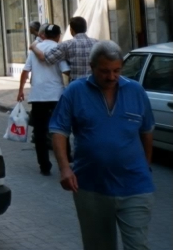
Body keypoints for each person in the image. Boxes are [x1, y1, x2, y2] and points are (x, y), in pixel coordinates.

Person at [49, 41, 155, 250]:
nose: (111, 77)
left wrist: (146, 164)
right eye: (105, 71)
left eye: (117, 70)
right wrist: (64, 168)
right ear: (92, 66)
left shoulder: (135, 91)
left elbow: (146, 131)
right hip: (91, 187)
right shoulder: (75, 91)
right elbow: (59, 130)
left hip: (135, 186)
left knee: (137, 246)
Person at [18, 24, 68, 176]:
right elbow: (66, 71)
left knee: (39, 132)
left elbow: (26, 71)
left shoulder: (35, 50)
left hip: (38, 96)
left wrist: (20, 91)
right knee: (60, 129)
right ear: (58, 36)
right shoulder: (58, 50)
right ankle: (65, 163)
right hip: (56, 96)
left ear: (44, 35)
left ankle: (44, 166)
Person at [30, 16, 98, 82]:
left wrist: (33, 47)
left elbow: (46, 58)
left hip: (76, 84)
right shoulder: (97, 43)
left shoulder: (66, 45)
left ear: (71, 30)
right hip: (94, 82)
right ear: (85, 28)